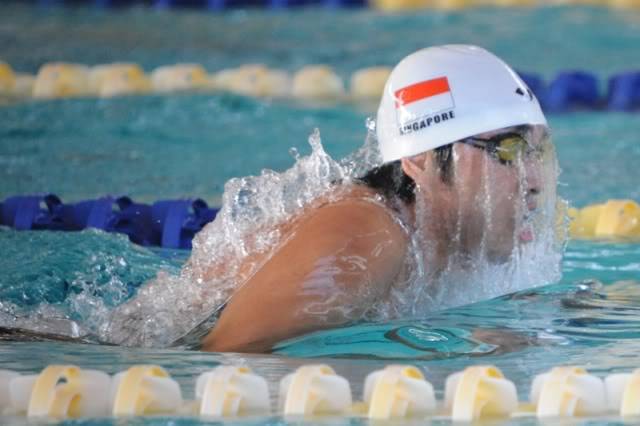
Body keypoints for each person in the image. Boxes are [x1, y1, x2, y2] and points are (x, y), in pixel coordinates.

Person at [106, 45, 560, 353]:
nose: (535, 179)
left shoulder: (464, 239)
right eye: (509, 151)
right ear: (420, 162)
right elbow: (222, 364)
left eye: (538, 151)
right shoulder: (363, 239)